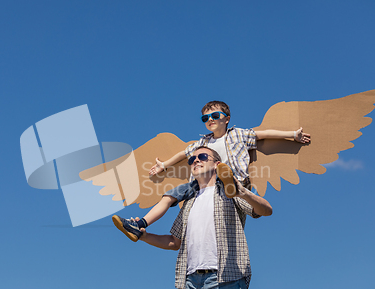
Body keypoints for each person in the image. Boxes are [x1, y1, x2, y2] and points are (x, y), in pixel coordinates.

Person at [113, 101, 308, 242]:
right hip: (199, 185)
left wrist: (292, 135)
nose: (210, 120)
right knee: (169, 196)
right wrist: (164, 165)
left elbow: (264, 134)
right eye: (206, 118)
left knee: (234, 187)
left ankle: (229, 182)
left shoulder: (239, 134)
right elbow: (183, 153)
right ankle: (140, 225)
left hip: (233, 181)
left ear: (227, 119)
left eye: (215, 116)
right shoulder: (202, 143)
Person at [139, 146, 272, 289]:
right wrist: (144, 236)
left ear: (217, 164)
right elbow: (174, 241)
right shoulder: (189, 202)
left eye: (202, 156)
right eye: (191, 160)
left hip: (227, 278)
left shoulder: (229, 190)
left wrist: (242, 191)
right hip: (192, 283)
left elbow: (265, 210)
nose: (195, 161)